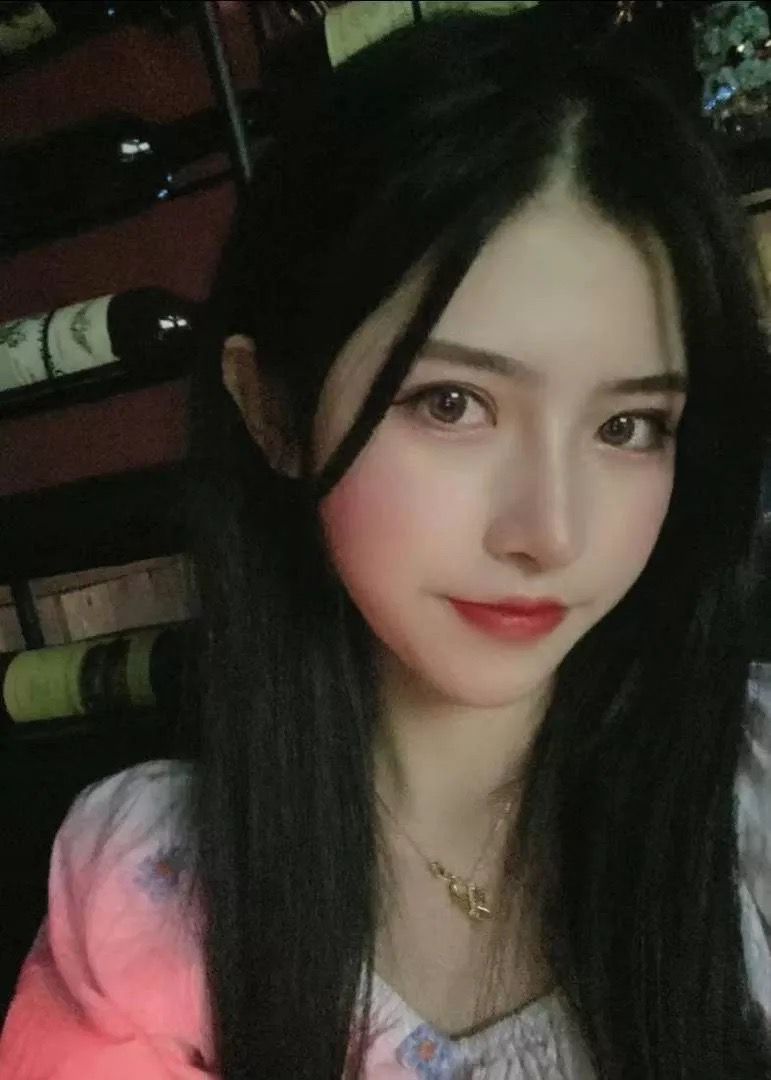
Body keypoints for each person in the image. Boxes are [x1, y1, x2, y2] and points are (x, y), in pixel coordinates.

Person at [1, 7, 771, 1078]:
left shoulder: (750, 798)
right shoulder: (152, 893)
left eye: (628, 426)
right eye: (452, 403)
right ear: (273, 410)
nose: (550, 533)